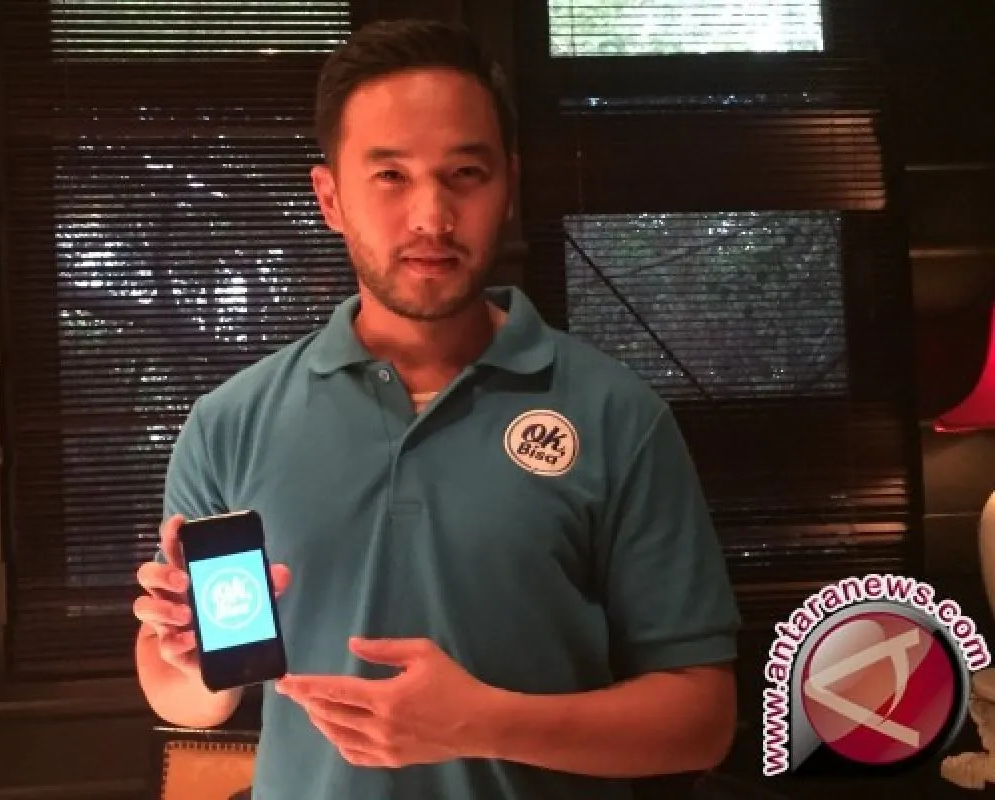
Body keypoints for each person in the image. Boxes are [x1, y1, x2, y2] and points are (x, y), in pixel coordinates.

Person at [133, 17, 741, 800]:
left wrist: (485, 723)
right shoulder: (229, 424)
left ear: (507, 186)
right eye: (390, 175)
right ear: (330, 197)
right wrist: (185, 655)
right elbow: (186, 699)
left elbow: (700, 718)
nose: (431, 217)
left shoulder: (616, 414)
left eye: (465, 174)